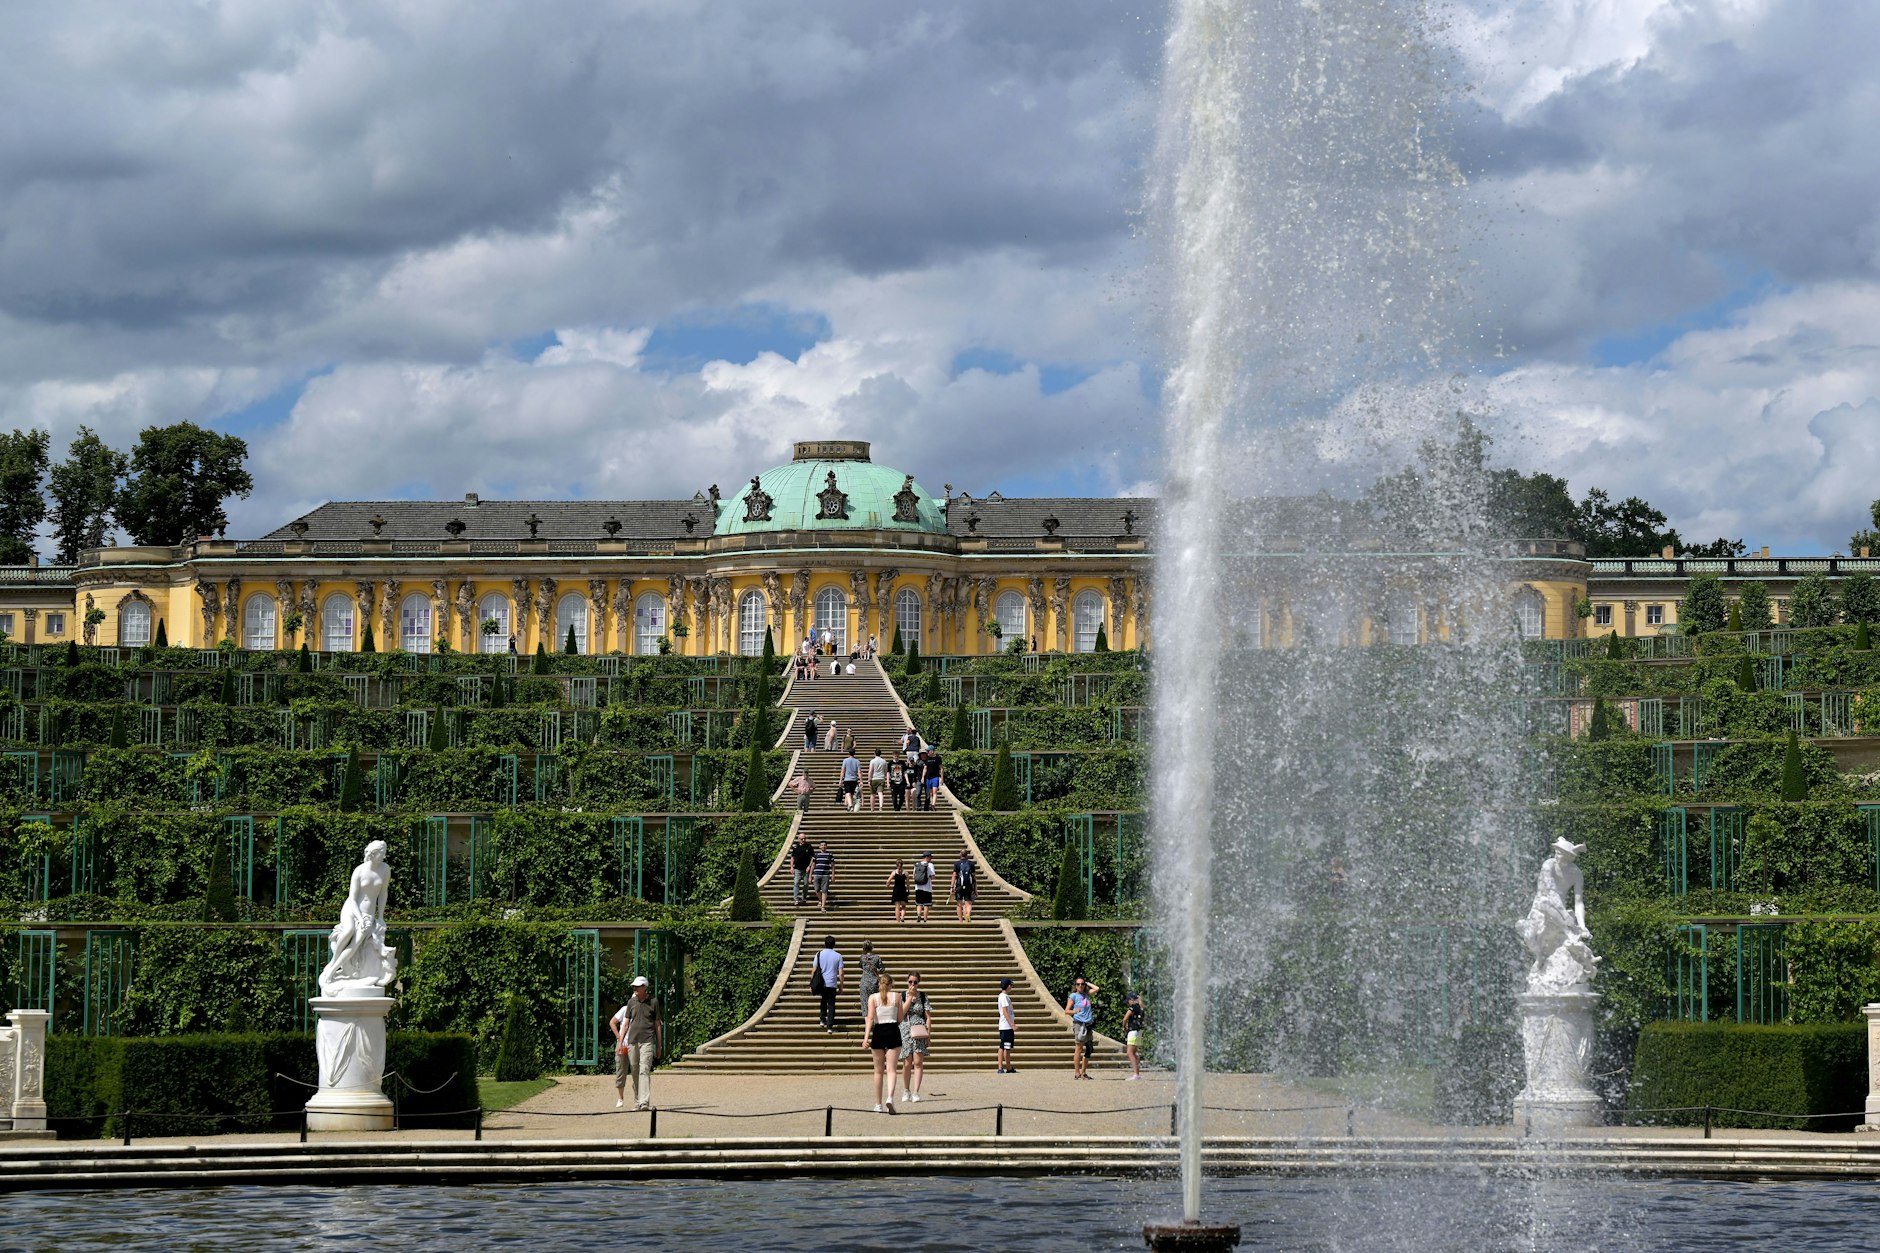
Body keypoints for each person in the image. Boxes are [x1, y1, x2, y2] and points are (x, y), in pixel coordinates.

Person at [609, 975, 663, 1110]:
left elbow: (657, 1024)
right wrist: (620, 1042)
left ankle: (644, 1102)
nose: (635, 989)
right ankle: (638, 1101)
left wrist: (659, 1045)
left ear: (645, 987)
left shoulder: (653, 1002)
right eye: (634, 987)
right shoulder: (631, 1002)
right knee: (635, 1071)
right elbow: (626, 1024)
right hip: (632, 1041)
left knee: (644, 1069)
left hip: (647, 1040)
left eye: (637, 987)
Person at [863, 973, 903, 1113]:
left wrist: (866, 1038)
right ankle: (890, 1097)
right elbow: (900, 1018)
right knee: (891, 1070)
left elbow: (870, 1018)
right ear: (891, 984)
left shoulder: (873, 998)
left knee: (878, 1071)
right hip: (893, 1030)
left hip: (879, 1031)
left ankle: (878, 1104)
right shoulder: (897, 996)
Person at [899, 972, 931, 1103]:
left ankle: (916, 1092)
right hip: (905, 1030)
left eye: (915, 982)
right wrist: (909, 998)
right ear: (907, 981)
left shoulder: (923, 996)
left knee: (918, 1062)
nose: (912, 984)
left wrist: (928, 1035)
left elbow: (928, 1017)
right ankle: (906, 1090)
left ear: (918, 983)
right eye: (910, 982)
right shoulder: (901, 995)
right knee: (907, 1063)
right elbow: (901, 1013)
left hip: (919, 1031)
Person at [1064, 976, 1100, 1079]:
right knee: (1079, 1048)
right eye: (1078, 984)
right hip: (1079, 1024)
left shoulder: (1086, 994)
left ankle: (1083, 1072)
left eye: (1082, 984)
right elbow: (1066, 1011)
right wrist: (1075, 1011)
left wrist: (1087, 983)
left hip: (1088, 1024)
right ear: (1075, 986)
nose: (1080, 986)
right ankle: (1077, 1072)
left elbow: (1097, 988)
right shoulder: (1073, 996)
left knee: (1089, 1048)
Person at [813, 936, 843, 1032]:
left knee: (823, 1000)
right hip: (832, 983)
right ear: (834, 944)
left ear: (825, 944)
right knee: (831, 1004)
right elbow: (841, 973)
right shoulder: (838, 956)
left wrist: (811, 984)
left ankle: (822, 1019)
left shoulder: (818, 954)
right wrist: (841, 985)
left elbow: (814, 970)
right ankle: (829, 1026)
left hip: (821, 983)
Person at [856, 940, 885, 1023]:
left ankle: (868, 1024)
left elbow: (860, 966)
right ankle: (875, 1022)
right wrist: (876, 969)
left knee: (865, 1004)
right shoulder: (877, 957)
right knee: (875, 1003)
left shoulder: (862, 957)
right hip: (874, 983)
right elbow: (882, 969)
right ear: (872, 947)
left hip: (864, 983)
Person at [1121, 992, 1146, 1080]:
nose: (1128, 1003)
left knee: (1130, 1053)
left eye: (1128, 1001)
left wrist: (1124, 1026)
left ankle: (1136, 1074)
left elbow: (1125, 1018)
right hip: (1139, 1031)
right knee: (1134, 1053)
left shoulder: (1133, 1007)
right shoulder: (1141, 1008)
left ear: (1131, 1000)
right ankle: (1137, 1073)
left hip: (1133, 1031)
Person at [996, 977, 1017, 1073]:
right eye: (1011, 985)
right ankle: (1001, 1067)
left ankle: (1008, 1066)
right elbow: (1005, 1011)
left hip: (1007, 1027)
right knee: (1003, 1047)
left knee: (1006, 1047)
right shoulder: (1003, 996)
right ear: (1008, 986)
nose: (1011, 987)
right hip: (1006, 1026)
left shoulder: (1004, 996)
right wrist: (1012, 1024)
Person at [789, 832, 816, 906]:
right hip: (797, 868)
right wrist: (791, 867)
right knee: (796, 883)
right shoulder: (795, 847)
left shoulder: (809, 846)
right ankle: (796, 898)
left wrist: (809, 866)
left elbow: (813, 857)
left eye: (804, 838)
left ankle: (804, 896)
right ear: (798, 839)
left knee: (806, 884)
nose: (803, 840)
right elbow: (792, 857)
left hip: (806, 868)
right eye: (802, 839)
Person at [951, 848, 977, 922]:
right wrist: (975, 887)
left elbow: (954, 875)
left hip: (959, 885)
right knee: (968, 903)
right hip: (969, 885)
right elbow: (974, 876)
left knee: (959, 904)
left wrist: (952, 886)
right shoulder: (971, 864)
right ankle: (967, 914)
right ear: (967, 855)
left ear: (960, 854)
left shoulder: (957, 864)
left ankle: (961, 921)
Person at [912, 851, 937, 922]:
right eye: (930, 857)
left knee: (919, 903)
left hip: (918, 887)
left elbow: (913, 876)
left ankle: (919, 914)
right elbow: (933, 876)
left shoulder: (917, 864)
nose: (931, 859)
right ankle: (925, 919)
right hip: (927, 888)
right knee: (926, 904)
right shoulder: (930, 865)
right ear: (927, 857)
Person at [812, 842, 836, 912]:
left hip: (825, 875)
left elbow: (832, 866)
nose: (823, 846)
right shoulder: (816, 855)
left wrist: (833, 875)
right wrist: (810, 875)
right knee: (817, 889)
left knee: (824, 890)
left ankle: (823, 906)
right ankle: (820, 899)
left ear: (826, 846)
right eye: (822, 845)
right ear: (819, 847)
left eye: (824, 845)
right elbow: (813, 865)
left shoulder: (829, 854)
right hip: (817, 874)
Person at [888, 859, 910, 923]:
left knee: (897, 907)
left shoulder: (894, 872)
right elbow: (908, 883)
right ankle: (902, 916)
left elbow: (888, 881)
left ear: (896, 865)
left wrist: (887, 886)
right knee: (903, 906)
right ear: (902, 865)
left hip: (896, 890)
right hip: (903, 890)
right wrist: (908, 890)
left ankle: (898, 921)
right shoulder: (906, 873)